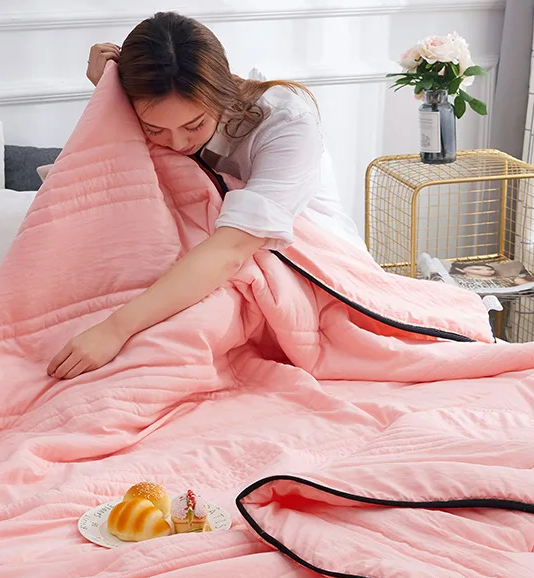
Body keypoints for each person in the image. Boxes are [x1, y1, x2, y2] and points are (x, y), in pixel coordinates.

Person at [48, 11, 363, 381]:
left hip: (305, 266)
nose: (178, 142)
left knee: (183, 333)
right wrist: (107, 94)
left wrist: (115, 329)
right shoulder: (143, 111)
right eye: (155, 130)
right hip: (202, 261)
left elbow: (230, 251)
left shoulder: (286, 125)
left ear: (221, 94)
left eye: (194, 125)